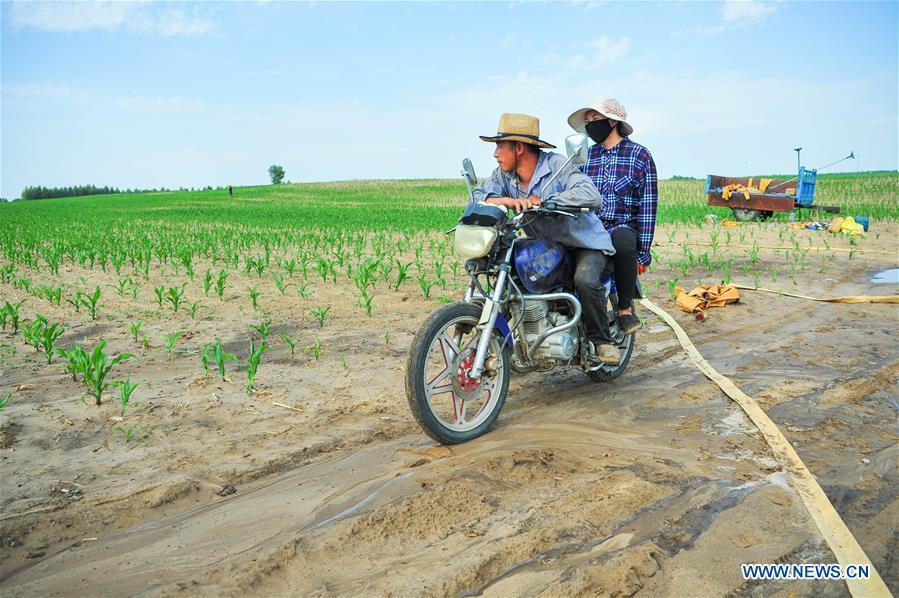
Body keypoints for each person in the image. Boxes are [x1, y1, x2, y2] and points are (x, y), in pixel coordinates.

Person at [470, 113, 622, 366]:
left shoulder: (558, 166)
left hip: (584, 244)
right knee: (513, 274)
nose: (495, 154)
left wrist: (547, 201)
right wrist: (505, 201)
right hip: (547, 246)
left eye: (500, 146)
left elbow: (591, 195)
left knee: (584, 280)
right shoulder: (502, 176)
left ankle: (601, 340)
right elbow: (477, 196)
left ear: (518, 147)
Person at [567, 97, 658, 336]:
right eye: (588, 121)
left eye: (595, 119)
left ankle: (625, 309)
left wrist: (644, 253)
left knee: (625, 242)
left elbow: (647, 207)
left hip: (620, 225)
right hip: (588, 227)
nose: (590, 125)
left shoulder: (639, 155)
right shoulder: (586, 157)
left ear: (613, 121)